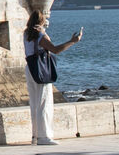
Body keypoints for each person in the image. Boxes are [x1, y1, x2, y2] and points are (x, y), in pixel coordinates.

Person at [23, 11, 82, 146]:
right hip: (41, 69)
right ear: (42, 22)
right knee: (44, 103)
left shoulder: (26, 33)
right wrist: (72, 41)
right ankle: (44, 137)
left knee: (34, 103)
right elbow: (55, 50)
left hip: (30, 68)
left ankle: (35, 136)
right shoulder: (40, 35)